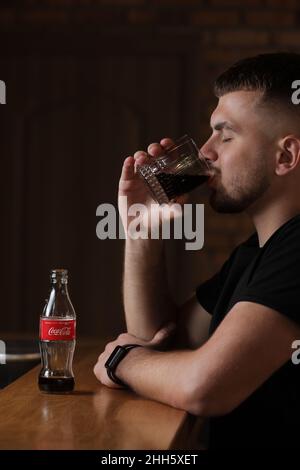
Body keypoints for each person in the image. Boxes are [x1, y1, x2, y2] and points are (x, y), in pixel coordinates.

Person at [94, 52, 300, 449]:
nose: (205, 152)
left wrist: (123, 360)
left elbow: (204, 387)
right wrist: (142, 234)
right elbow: (162, 341)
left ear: (286, 156)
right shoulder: (255, 254)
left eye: (225, 135)